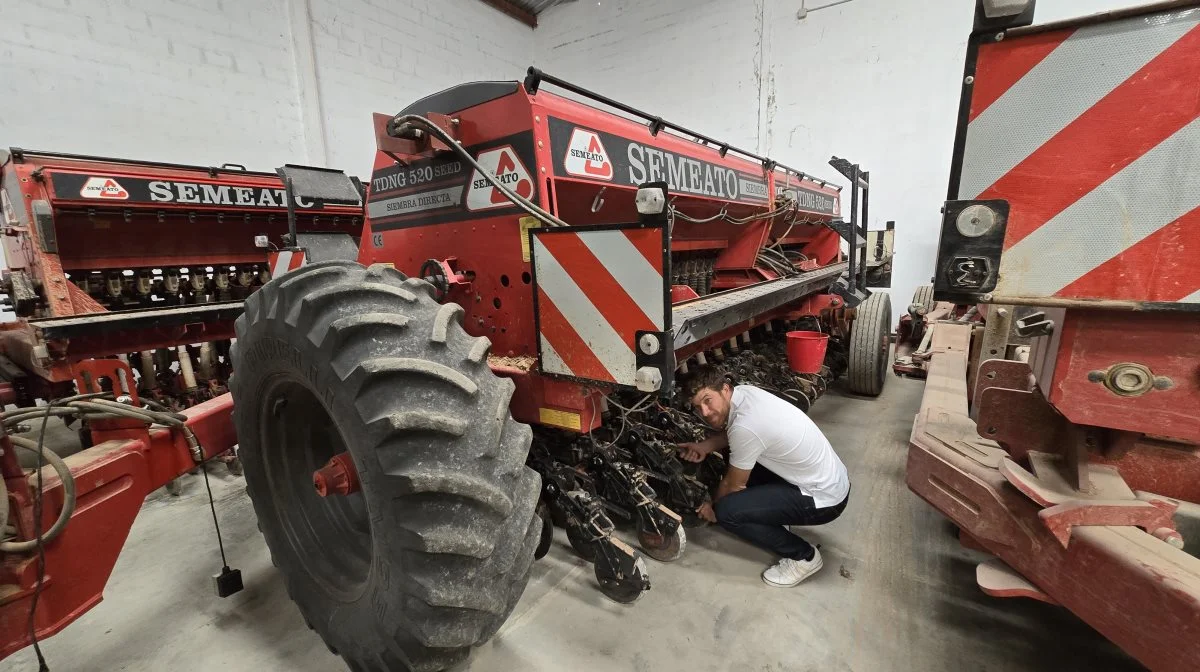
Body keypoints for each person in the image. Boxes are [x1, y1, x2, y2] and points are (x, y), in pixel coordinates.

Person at [678, 366, 850, 587]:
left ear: (725, 389)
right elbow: (734, 435)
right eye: (697, 407)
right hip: (829, 479)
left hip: (826, 500)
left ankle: (804, 557)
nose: (704, 412)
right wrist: (705, 446)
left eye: (708, 400)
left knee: (727, 511)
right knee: (736, 455)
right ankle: (772, 515)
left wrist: (713, 508)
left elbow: (733, 485)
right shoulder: (745, 394)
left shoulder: (746, 426)